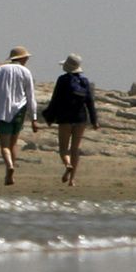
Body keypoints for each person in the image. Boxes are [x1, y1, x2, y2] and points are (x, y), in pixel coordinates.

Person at [0, 46, 40, 186]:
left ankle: (9, 166)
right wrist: (34, 118)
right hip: (19, 110)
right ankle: (10, 175)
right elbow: (31, 96)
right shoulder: (26, 72)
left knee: (4, 145)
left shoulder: (1, 70)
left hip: (2, 110)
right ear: (22, 58)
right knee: (13, 143)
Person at [44, 53, 99, 186]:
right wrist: (94, 120)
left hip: (65, 118)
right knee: (75, 148)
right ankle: (72, 179)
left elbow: (55, 100)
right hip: (81, 118)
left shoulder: (62, 80)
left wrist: (50, 117)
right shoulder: (84, 81)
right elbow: (90, 102)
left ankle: (68, 164)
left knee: (63, 148)